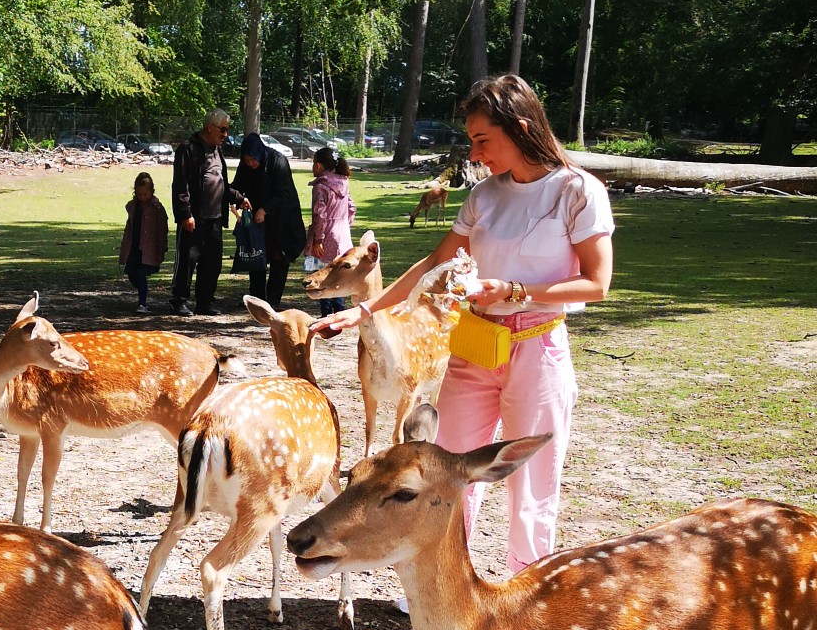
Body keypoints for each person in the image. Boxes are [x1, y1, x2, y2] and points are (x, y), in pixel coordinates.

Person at [315, 72, 615, 575]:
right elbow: (434, 263)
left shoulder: (577, 191)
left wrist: (517, 292)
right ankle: (445, 581)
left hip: (536, 347)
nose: (475, 154)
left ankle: (528, 585)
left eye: (482, 140)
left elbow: (597, 283)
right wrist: (367, 310)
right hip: (475, 343)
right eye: (472, 141)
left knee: (531, 478)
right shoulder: (485, 196)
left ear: (520, 127)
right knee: (447, 471)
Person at [170, 109, 246, 317]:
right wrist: (185, 213)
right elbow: (180, 185)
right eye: (222, 130)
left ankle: (205, 302)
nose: (225, 135)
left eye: (227, 130)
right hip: (194, 217)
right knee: (187, 260)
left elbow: (220, 183)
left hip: (215, 218)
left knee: (212, 263)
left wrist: (238, 198)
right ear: (210, 127)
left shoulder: (217, 150)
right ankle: (179, 300)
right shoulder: (187, 149)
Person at [231, 132, 306, 308]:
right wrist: (237, 199)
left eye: (253, 159)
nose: (251, 163)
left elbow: (283, 193)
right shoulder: (246, 166)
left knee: (278, 259)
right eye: (247, 160)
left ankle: (272, 300)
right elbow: (237, 186)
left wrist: (265, 210)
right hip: (258, 220)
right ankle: (256, 298)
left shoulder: (277, 161)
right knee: (256, 256)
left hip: (282, 218)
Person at [302, 146, 355, 314]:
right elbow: (352, 206)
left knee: (323, 276)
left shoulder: (321, 187)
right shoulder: (343, 183)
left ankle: (327, 315)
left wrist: (318, 239)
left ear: (318, 165)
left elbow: (320, 215)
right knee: (338, 274)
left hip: (326, 237)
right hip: (343, 235)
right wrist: (345, 224)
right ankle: (339, 311)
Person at [119, 170, 169, 314]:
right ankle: (143, 291)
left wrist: (161, 249)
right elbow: (130, 227)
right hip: (134, 246)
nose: (142, 198)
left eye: (145, 194)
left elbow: (162, 229)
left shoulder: (157, 209)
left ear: (151, 192)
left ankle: (142, 302)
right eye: (139, 194)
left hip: (148, 247)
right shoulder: (133, 207)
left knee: (140, 274)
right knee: (131, 273)